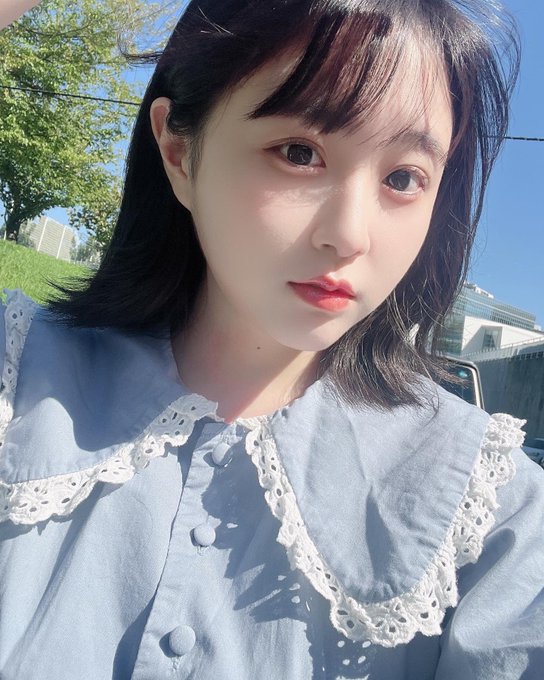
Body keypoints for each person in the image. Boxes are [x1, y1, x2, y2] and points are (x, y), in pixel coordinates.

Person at [0, 0, 542, 678]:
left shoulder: (494, 512)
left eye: (403, 178)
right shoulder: (19, 375)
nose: (349, 235)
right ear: (179, 152)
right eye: (299, 153)